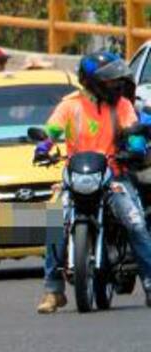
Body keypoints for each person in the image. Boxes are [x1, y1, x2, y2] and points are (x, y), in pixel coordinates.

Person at [35, 52, 151, 313]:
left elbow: (133, 130)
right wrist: (43, 148)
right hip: (75, 177)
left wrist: (135, 147)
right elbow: (52, 131)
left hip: (113, 175)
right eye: (110, 81)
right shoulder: (70, 105)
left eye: (117, 80)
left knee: (135, 222)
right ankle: (53, 291)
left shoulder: (122, 105)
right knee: (53, 222)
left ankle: (149, 281)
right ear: (92, 82)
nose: (116, 85)